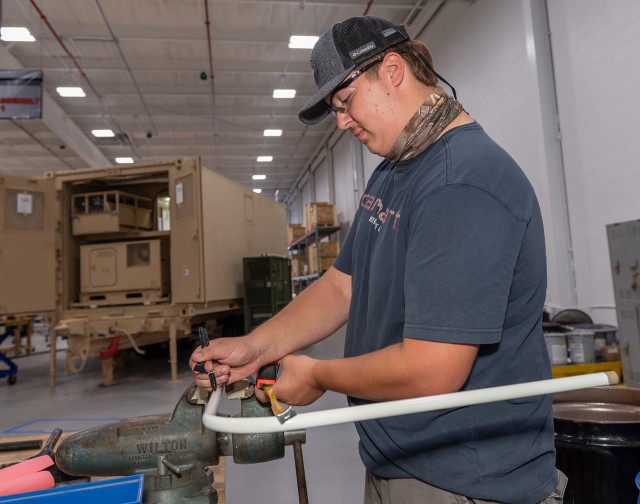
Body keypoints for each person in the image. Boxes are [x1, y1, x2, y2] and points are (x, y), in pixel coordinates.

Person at [191, 15, 566, 504]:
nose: (342, 121)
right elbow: (342, 284)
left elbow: (432, 371)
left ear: (392, 70)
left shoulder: (462, 183)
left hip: (465, 479)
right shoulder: (394, 169)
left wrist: (318, 375)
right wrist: (256, 348)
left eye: (345, 103)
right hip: (397, 455)